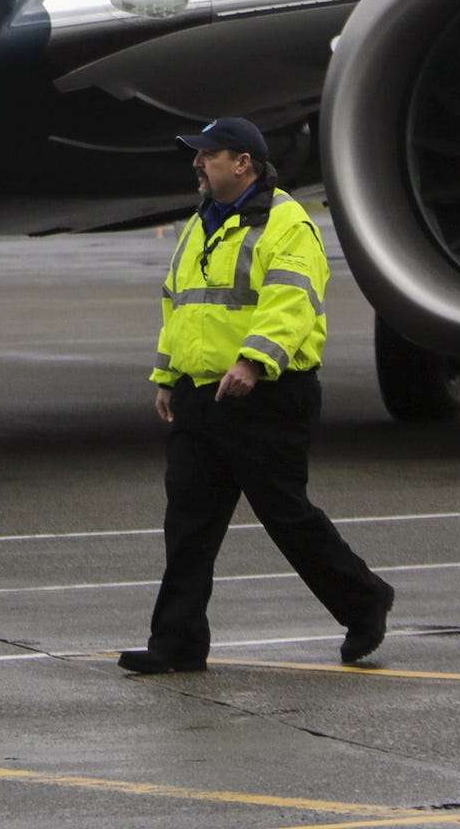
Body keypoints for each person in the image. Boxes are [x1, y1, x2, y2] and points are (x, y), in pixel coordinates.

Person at [120, 117, 394, 677]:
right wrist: (167, 375)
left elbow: (290, 302)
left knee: (286, 516)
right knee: (188, 525)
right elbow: (181, 303)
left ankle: (364, 601)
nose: (197, 163)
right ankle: (177, 643)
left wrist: (253, 360)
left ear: (242, 162)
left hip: (265, 395)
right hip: (202, 398)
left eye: (208, 155)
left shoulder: (287, 223)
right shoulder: (201, 223)